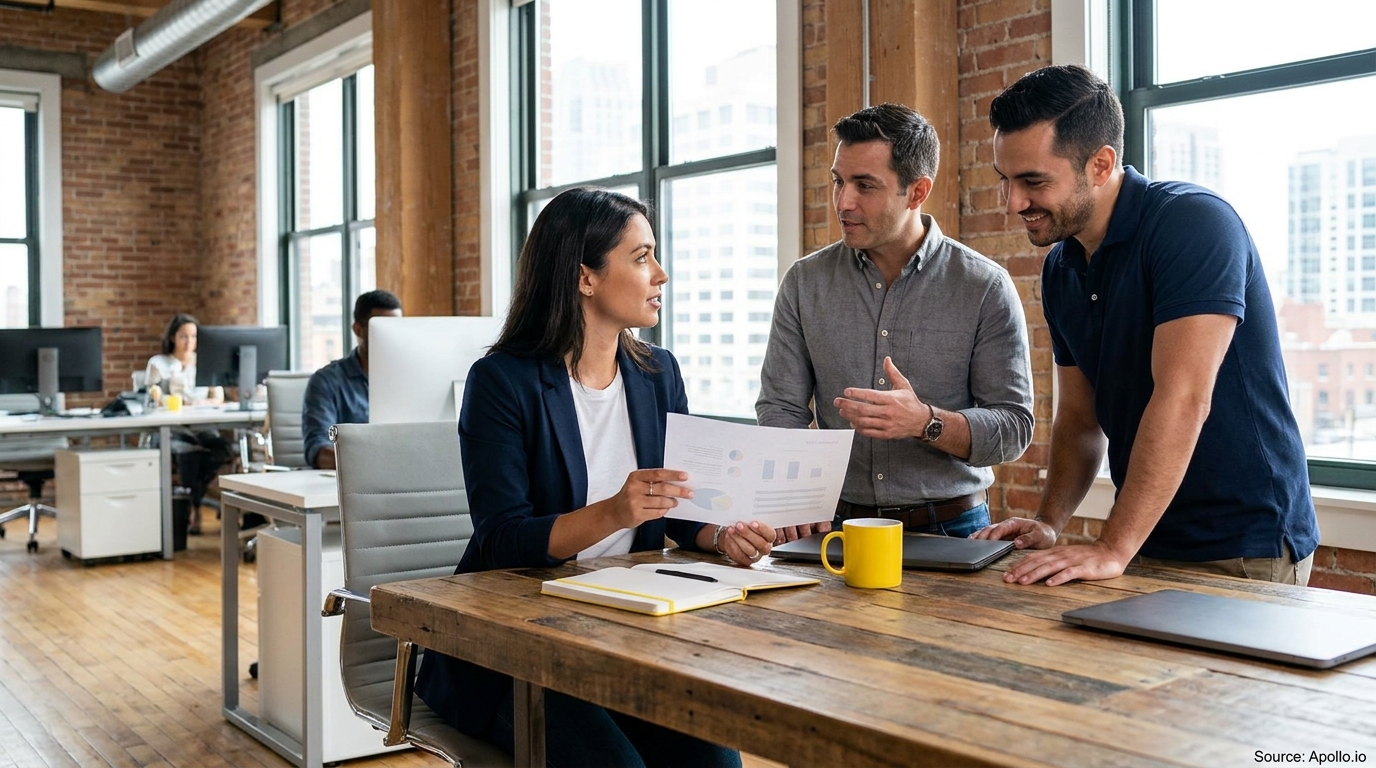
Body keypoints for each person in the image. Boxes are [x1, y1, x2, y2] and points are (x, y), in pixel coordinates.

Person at [415, 187, 774, 768]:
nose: (661, 273)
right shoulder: (501, 382)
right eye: (641, 257)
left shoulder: (658, 372)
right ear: (585, 277)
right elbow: (501, 539)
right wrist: (614, 511)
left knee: (714, 761)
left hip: (624, 628)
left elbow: (676, 508)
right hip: (516, 646)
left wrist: (717, 534)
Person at [972, 64, 1319, 586]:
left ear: (1101, 163)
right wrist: (1050, 521)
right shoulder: (1061, 268)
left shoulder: (1193, 224)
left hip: (1242, 546)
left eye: (1034, 181)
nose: (1014, 202)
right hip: (1143, 542)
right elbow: (1080, 417)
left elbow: (1183, 398)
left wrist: (1113, 545)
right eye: (1007, 180)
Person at [757, 103, 1034, 542]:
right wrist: (790, 496)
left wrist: (926, 422)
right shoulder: (804, 283)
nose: (843, 201)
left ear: (917, 191)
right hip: (833, 527)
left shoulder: (984, 287)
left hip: (951, 530)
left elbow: (1014, 427)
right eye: (838, 181)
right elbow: (781, 408)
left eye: (864, 185)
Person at [145, 314, 232, 534]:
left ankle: (195, 497)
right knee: (189, 454)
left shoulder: (206, 361)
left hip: (201, 426)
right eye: (184, 336)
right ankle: (195, 509)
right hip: (171, 429)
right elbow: (149, 398)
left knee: (223, 450)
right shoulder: (159, 363)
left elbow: (219, 397)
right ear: (173, 337)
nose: (189, 342)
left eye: (193, 336)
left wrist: (198, 402)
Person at [301, 290, 403, 469]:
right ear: (358, 329)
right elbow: (318, 450)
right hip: (351, 484)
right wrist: (372, 463)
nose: (390, 337)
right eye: (381, 329)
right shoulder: (326, 381)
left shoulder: (407, 379)